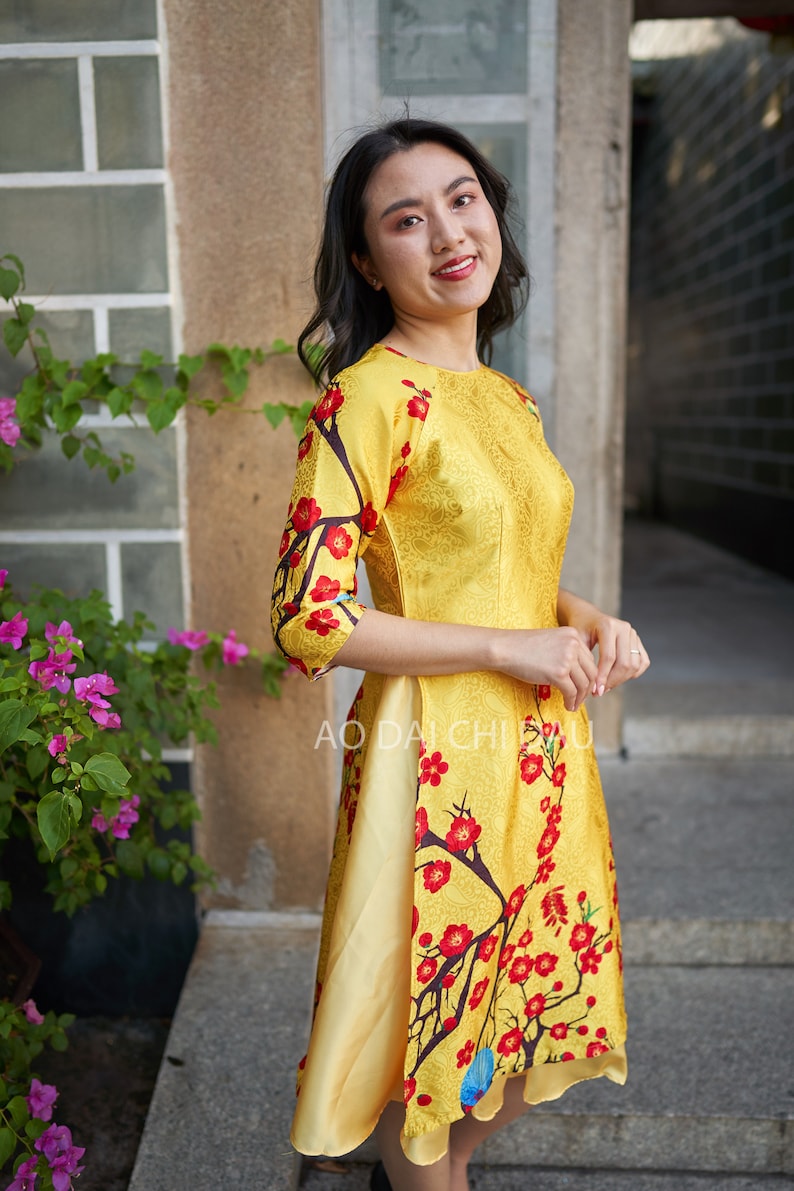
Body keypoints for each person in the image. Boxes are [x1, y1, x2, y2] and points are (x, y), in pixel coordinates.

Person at [271, 117, 649, 1191]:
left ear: (492, 213)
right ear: (363, 261)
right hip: (438, 754)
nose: (445, 231)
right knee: (438, 1035)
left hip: (536, 748)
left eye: (462, 197)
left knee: (540, 1006)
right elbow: (310, 616)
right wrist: (504, 644)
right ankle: (423, 1170)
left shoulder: (503, 397)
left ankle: (423, 1165)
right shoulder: (365, 398)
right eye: (404, 217)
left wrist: (582, 619)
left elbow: (511, 564)